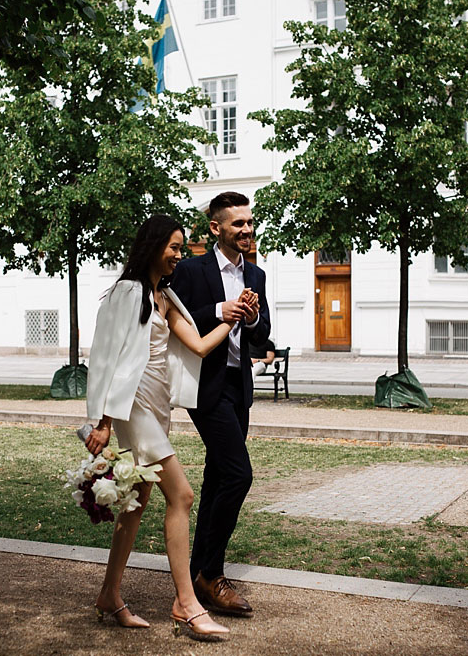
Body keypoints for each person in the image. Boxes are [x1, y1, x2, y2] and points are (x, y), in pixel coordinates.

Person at [84, 214, 253, 640]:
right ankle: (186, 604)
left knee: (135, 507)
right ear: (154, 246)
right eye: (174, 248)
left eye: (182, 248)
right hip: (133, 407)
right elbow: (103, 356)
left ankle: (109, 594)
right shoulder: (128, 292)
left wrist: (233, 319)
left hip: (159, 408)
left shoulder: (166, 297)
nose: (180, 255)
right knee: (182, 495)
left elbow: (197, 345)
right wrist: (100, 421)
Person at [170, 191, 271, 617]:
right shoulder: (191, 270)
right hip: (205, 388)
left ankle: (197, 575)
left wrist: (250, 318)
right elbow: (177, 316)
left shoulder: (258, 274)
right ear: (216, 228)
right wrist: (222, 309)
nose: (247, 231)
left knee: (217, 478)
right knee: (238, 474)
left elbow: (263, 336)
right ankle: (211, 574)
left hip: (238, 385)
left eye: (250, 223)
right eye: (238, 225)